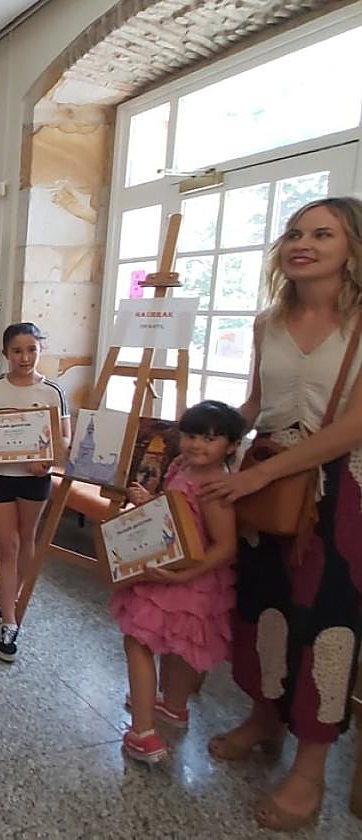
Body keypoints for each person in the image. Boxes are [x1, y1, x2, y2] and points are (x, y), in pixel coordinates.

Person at [201, 197, 362, 831]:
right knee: (261, 603)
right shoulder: (269, 321)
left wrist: (264, 473)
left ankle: (311, 768)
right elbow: (257, 405)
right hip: (264, 479)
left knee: (328, 621)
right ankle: (265, 717)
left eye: (323, 234)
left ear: (352, 247)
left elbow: (355, 423)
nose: (303, 243)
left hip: (337, 488)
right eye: (295, 232)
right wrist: (205, 443)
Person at [113, 400, 244, 765]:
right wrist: (149, 501)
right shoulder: (181, 467)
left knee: (139, 641)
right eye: (190, 435)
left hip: (186, 579)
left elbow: (226, 545)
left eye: (209, 439)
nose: (196, 445)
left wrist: (186, 574)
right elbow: (172, 513)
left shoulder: (215, 487)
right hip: (168, 570)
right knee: (177, 645)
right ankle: (173, 706)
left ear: (231, 446)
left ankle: (142, 733)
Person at [0, 322, 70, 663]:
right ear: (5, 354)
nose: (24, 357)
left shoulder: (52, 391)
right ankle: (9, 623)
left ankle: (9, 600)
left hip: (35, 480)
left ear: (40, 350)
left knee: (26, 539)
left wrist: (48, 460)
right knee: (6, 544)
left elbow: (63, 438)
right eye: (17, 351)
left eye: (31, 350)